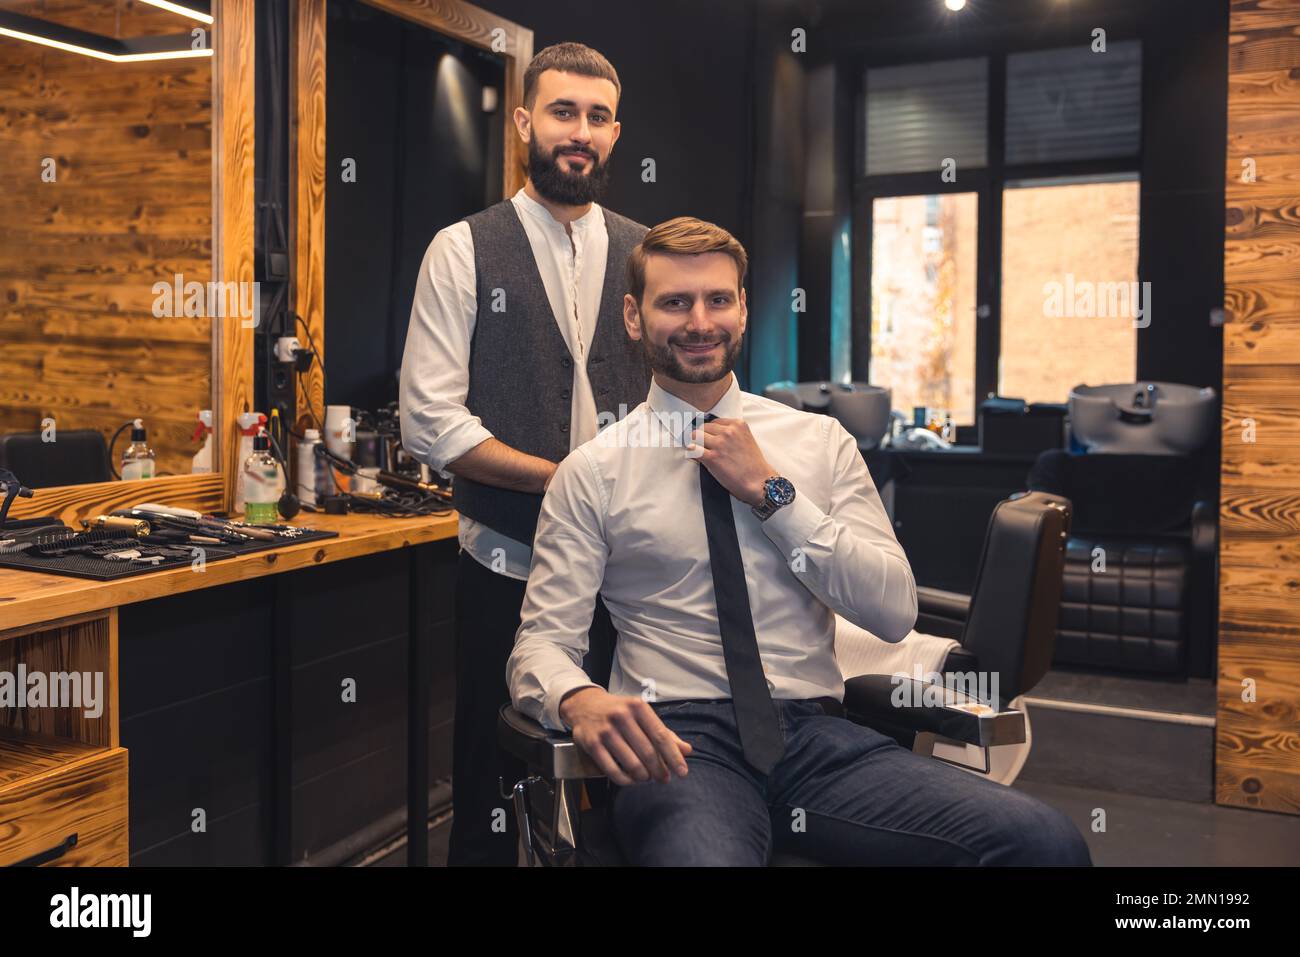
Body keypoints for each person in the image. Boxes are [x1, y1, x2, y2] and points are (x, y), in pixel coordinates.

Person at [506, 217, 1093, 866]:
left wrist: (773, 494)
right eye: (675, 301)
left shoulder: (819, 444)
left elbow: (893, 610)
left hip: (818, 740)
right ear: (634, 316)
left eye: (718, 299)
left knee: (1045, 843)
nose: (700, 320)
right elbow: (542, 640)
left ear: (744, 309)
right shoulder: (593, 471)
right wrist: (576, 696)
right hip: (679, 745)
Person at [399, 43, 649, 866]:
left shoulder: (648, 254)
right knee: (493, 778)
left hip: (633, 571)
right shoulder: (464, 248)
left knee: (632, 778)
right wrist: (568, 482)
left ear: (616, 132)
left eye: (598, 117)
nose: (580, 132)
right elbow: (431, 423)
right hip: (506, 558)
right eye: (562, 112)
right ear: (523, 122)